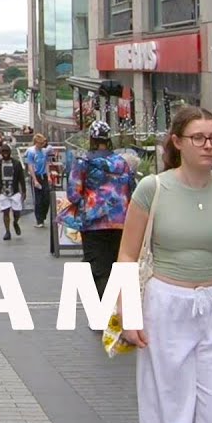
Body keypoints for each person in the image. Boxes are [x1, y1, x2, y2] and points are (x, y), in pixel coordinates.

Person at [118, 106, 212, 423]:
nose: (208, 145)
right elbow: (127, 256)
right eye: (197, 137)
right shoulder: (153, 189)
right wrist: (129, 316)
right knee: (170, 411)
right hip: (165, 307)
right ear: (177, 142)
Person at [62, 121, 135, 298]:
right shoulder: (122, 162)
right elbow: (131, 188)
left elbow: (73, 193)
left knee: (96, 267)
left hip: (94, 222)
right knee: (116, 264)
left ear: (92, 139)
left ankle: (104, 314)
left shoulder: (83, 162)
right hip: (120, 221)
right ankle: (116, 312)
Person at [0, 145, 26, 241]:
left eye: (7, 151)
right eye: (3, 152)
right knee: (5, 212)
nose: (5, 153)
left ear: (9, 152)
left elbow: (21, 178)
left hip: (15, 191)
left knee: (17, 212)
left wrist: (24, 191)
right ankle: (7, 231)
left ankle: (15, 222)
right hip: (3, 191)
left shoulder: (16, 164)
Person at [23, 134, 52, 229]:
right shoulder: (31, 152)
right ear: (36, 143)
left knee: (46, 198)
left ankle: (43, 216)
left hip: (44, 176)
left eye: (43, 143)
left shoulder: (44, 151)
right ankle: (39, 220)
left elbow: (47, 163)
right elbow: (30, 166)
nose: (42, 145)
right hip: (36, 176)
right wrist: (34, 179)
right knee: (38, 200)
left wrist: (49, 176)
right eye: (40, 143)